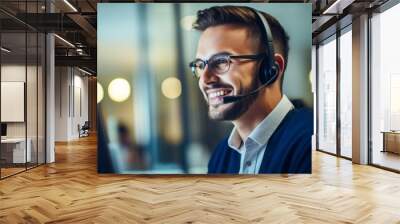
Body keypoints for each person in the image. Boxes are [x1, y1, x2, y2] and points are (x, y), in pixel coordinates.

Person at [189, 5, 313, 174]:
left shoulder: (311, 141)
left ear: (272, 69)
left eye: (221, 61)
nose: (204, 79)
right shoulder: (220, 155)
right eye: (200, 65)